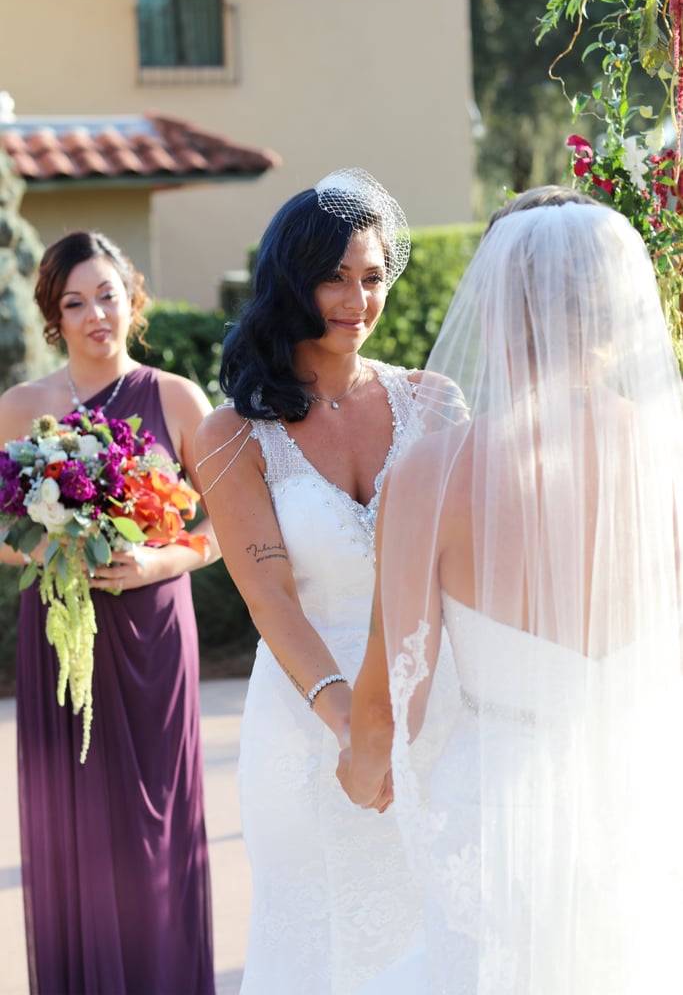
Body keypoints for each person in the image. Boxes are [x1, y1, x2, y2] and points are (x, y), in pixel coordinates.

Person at [337, 187, 683, 993]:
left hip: (496, 815)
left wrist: (362, 773)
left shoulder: (435, 470)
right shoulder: (670, 455)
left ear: (493, 304)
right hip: (640, 802)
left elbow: (395, 695)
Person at [194, 168, 467, 994]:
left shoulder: (435, 403)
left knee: (437, 931)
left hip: (436, 715)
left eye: (374, 277)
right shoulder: (232, 432)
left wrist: (403, 724)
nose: (358, 298)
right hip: (308, 722)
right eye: (335, 276)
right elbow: (269, 596)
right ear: (291, 279)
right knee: (320, 945)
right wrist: (356, 731)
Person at [0, 230, 219, 994]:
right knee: (75, 832)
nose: (96, 313)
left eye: (108, 295)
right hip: (61, 641)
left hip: (154, 636)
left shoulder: (177, 399)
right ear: (53, 316)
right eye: (74, 301)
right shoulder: (21, 408)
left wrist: (161, 560)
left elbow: (225, 528)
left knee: (153, 832)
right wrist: (44, 546)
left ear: (134, 300)